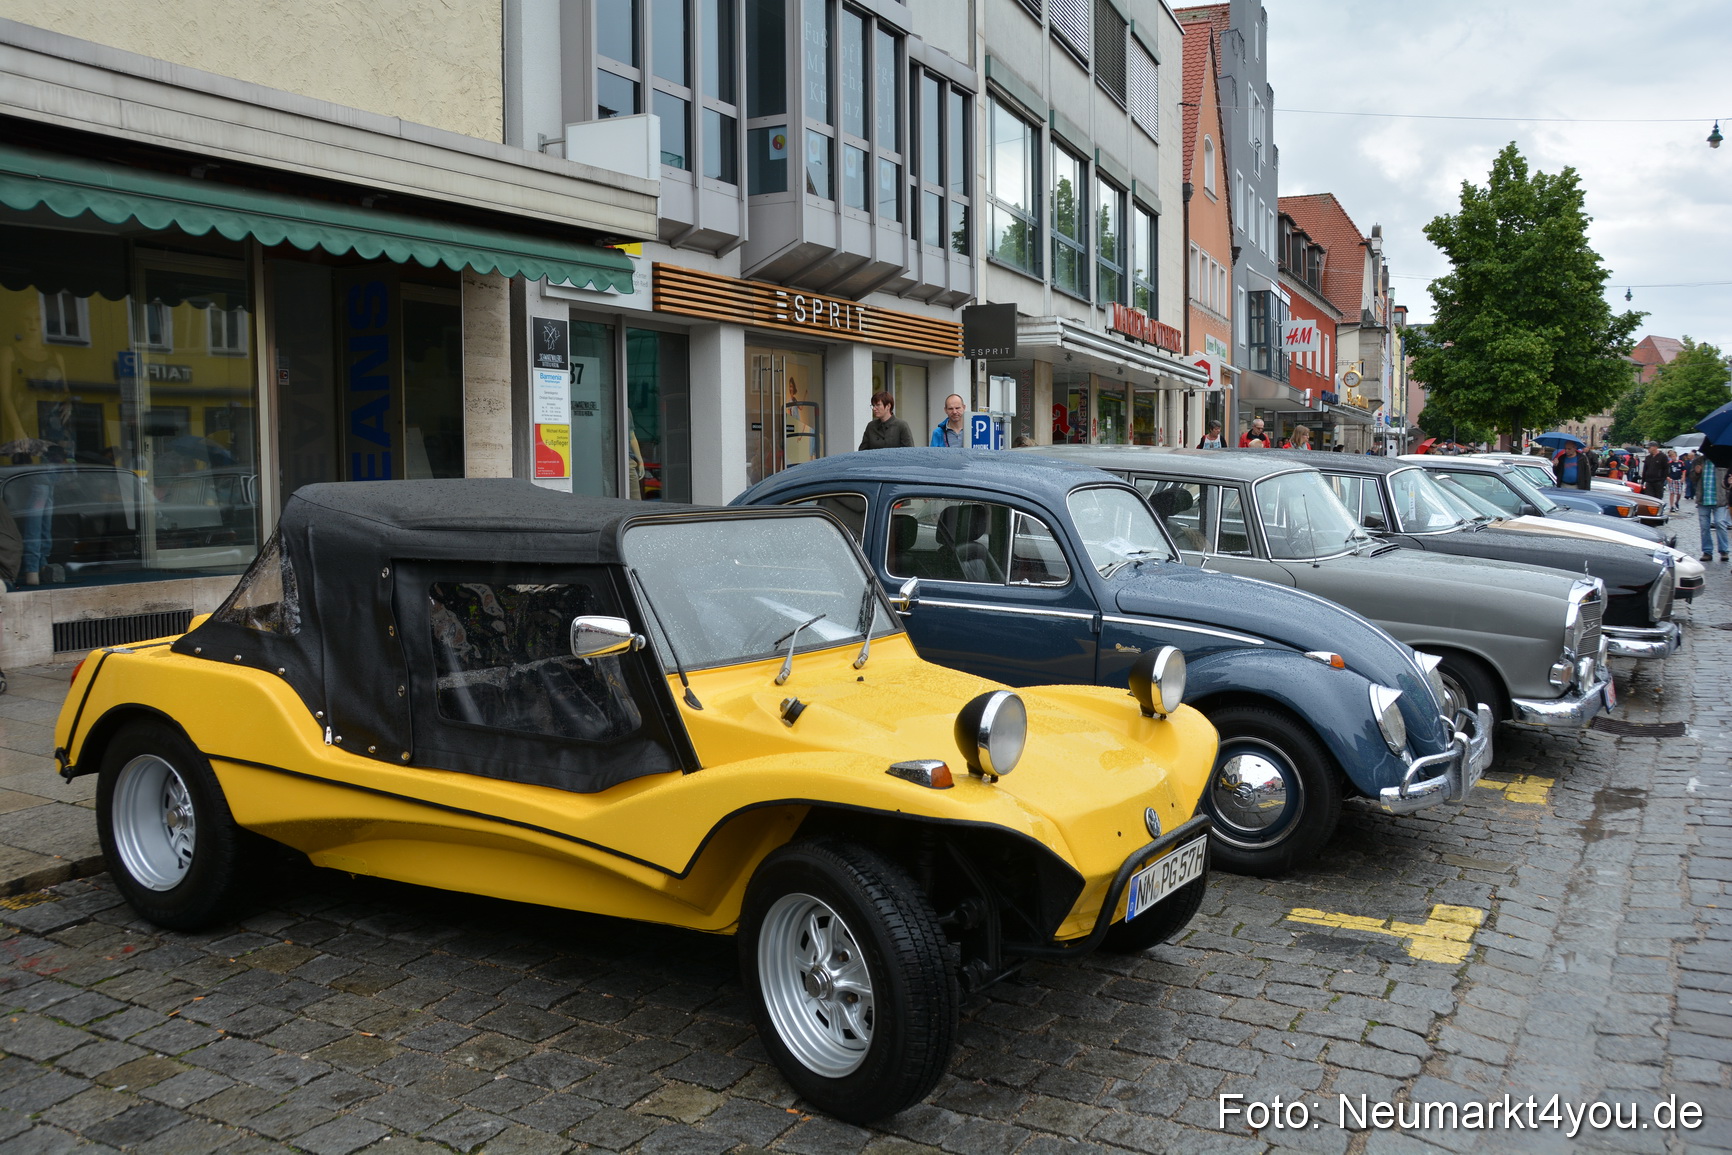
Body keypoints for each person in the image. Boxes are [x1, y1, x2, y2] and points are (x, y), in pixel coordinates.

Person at [1688, 453, 1730, 561]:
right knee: (1704, 527)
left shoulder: (1723, 461)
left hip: (1720, 499)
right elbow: (1692, 478)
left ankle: (1724, 551)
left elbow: (1728, 478)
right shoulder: (1698, 461)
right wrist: (1697, 473)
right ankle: (1707, 552)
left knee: (1720, 523)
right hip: (1703, 499)